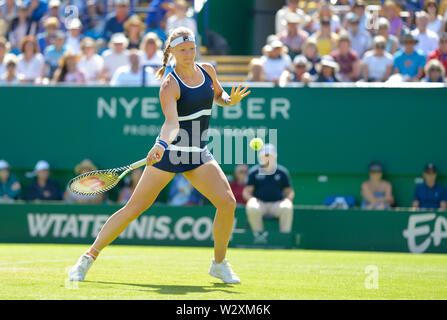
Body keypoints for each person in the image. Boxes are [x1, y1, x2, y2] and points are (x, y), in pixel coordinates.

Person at [68, 26, 251, 284]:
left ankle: (219, 264)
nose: (189, 54)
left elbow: (218, 96)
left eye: (192, 48)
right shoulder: (169, 84)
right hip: (172, 153)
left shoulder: (208, 70)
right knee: (134, 208)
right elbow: (171, 123)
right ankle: (88, 257)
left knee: (228, 202)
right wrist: (161, 144)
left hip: (198, 153)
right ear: (173, 52)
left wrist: (229, 101)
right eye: (183, 50)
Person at [243, 144, 294, 234]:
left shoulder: (282, 172)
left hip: (277, 204)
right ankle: (259, 236)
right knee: (251, 206)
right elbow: (247, 192)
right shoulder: (254, 171)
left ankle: (284, 237)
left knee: (287, 206)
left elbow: (289, 192)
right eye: (265, 155)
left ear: (275, 156)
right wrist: (252, 199)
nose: (267, 158)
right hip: (260, 204)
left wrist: (287, 200)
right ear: (260, 156)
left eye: (269, 155)